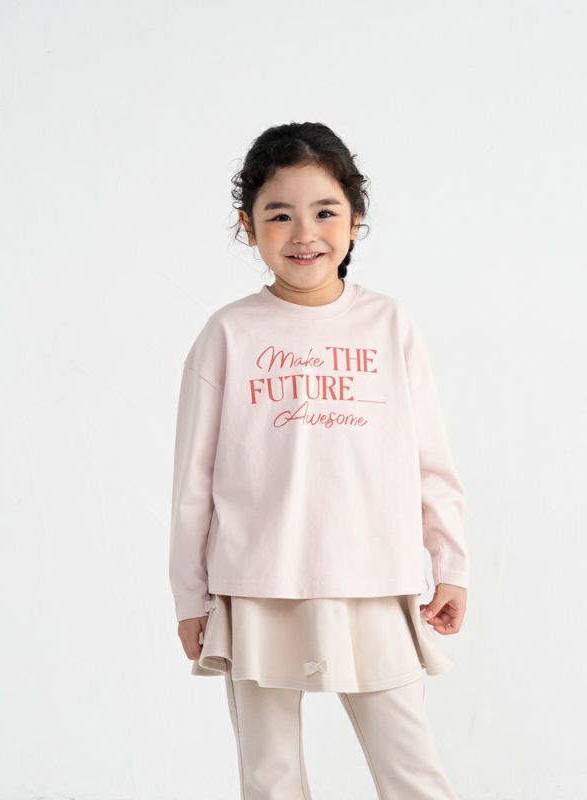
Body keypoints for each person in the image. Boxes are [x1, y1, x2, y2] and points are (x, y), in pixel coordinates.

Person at [169, 121, 470, 800]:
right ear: (248, 228)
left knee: (412, 773)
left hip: (373, 576)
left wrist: (450, 563)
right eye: (280, 214)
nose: (304, 233)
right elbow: (193, 481)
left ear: (356, 220)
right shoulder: (228, 334)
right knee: (270, 777)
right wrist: (190, 596)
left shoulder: (390, 326)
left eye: (325, 212)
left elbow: (430, 460)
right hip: (257, 584)